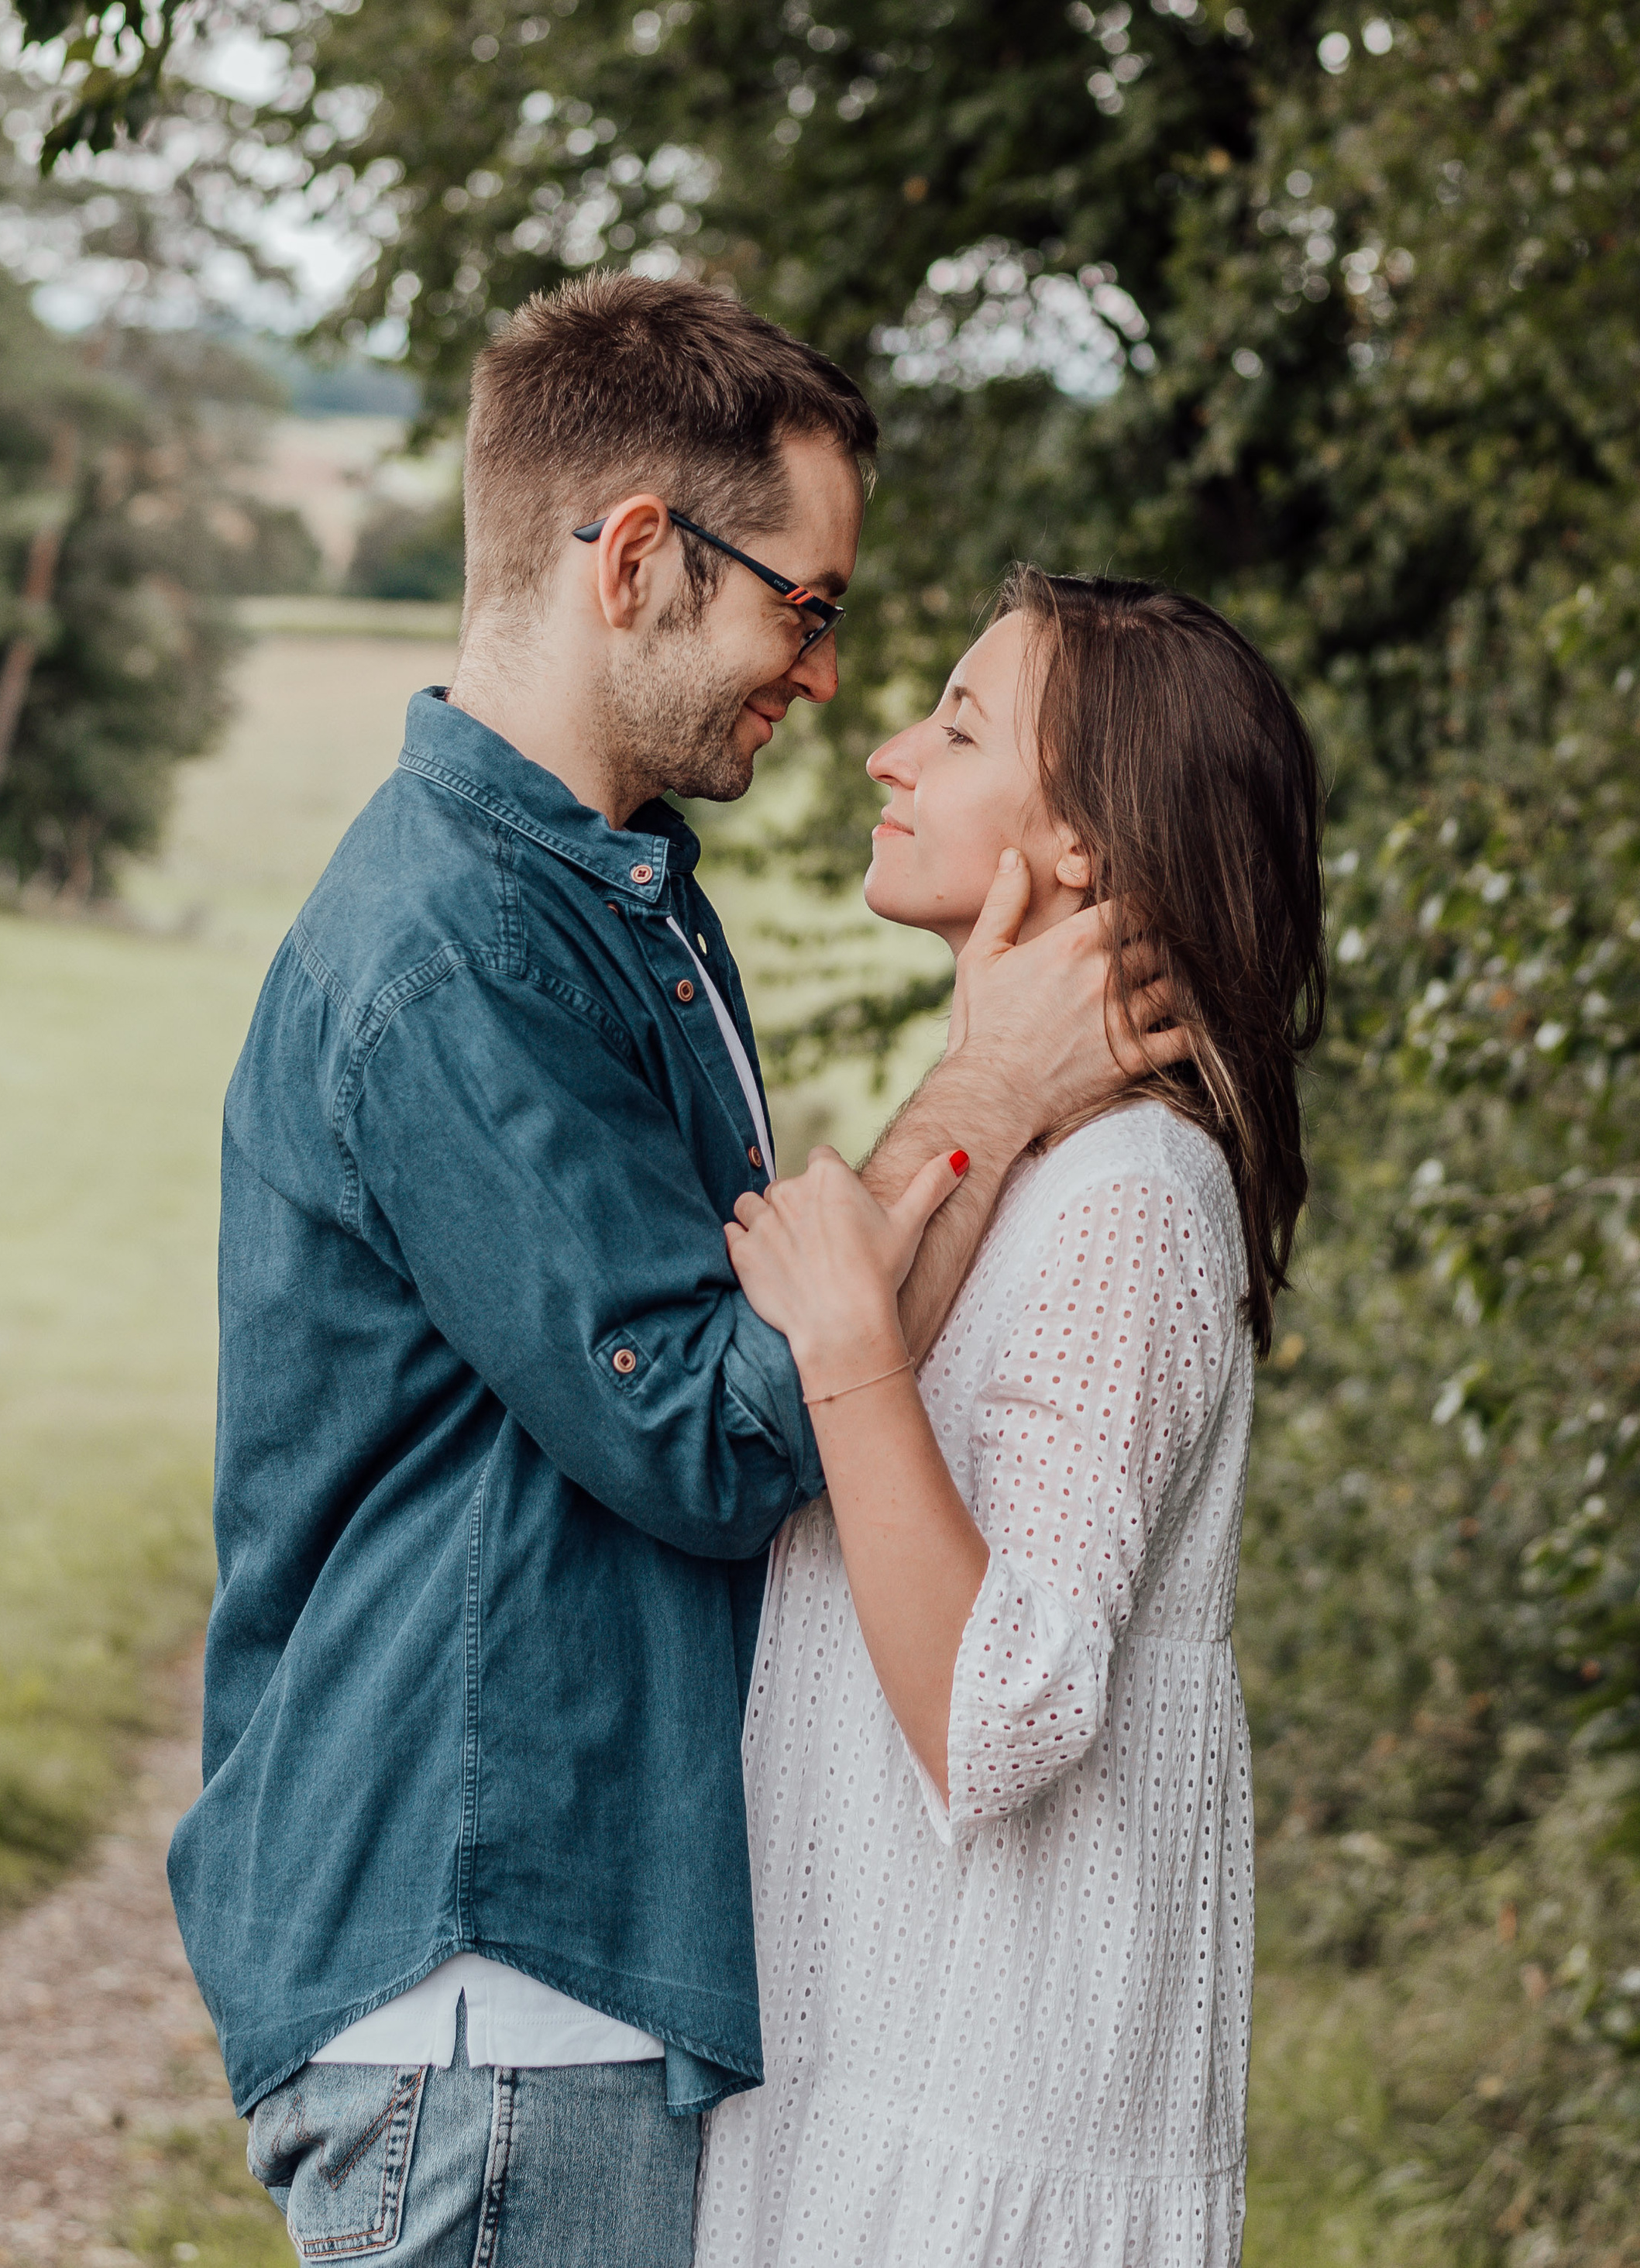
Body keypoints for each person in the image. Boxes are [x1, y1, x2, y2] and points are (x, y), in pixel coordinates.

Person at [167, 275, 1176, 2268]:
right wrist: (985, 1087)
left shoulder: (608, 900)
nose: (824, 673)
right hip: (487, 1973)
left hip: (551, 1976)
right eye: (803, 604)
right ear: (635, 557)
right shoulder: (457, 953)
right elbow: (713, 1430)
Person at [695, 568, 1327, 2268]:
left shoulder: (1130, 1195)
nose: (888, 750)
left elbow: (1005, 1707)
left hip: (971, 2130)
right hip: (863, 2074)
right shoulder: (1031, 1169)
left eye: (960, 727)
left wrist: (849, 1350)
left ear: (1086, 849)